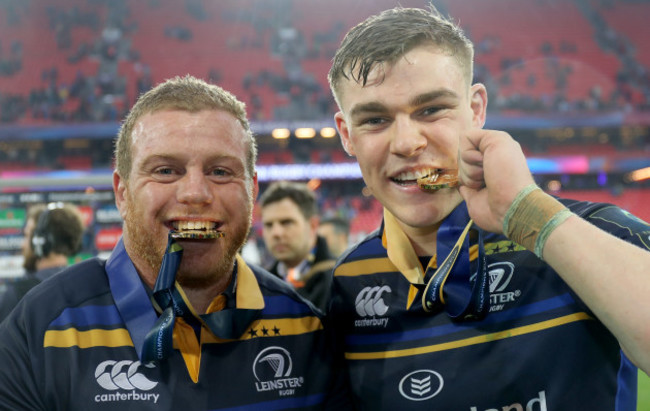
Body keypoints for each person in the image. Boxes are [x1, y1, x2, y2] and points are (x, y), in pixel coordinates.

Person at [327, 6, 650, 410]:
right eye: (375, 119)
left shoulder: (595, 233)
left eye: (431, 109)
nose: (407, 143)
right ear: (346, 135)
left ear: (476, 109)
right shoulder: (347, 282)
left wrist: (533, 217)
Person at [0, 75, 351, 410]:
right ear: (122, 193)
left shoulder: (308, 331)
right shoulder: (40, 328)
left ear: (252, 189)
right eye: (166, 170)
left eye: (220, 172)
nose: (195, 193)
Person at [0, 202, 84, 322]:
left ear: (40, 242)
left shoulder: (18, 295)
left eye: (27, 235)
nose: (22, 245)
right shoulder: (85, 290)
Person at [259, 181, 336, 312]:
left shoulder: (340, 282)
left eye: (286, 222)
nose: (276, 233)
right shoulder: (259, 284)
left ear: (313, 226)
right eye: (269, 225)